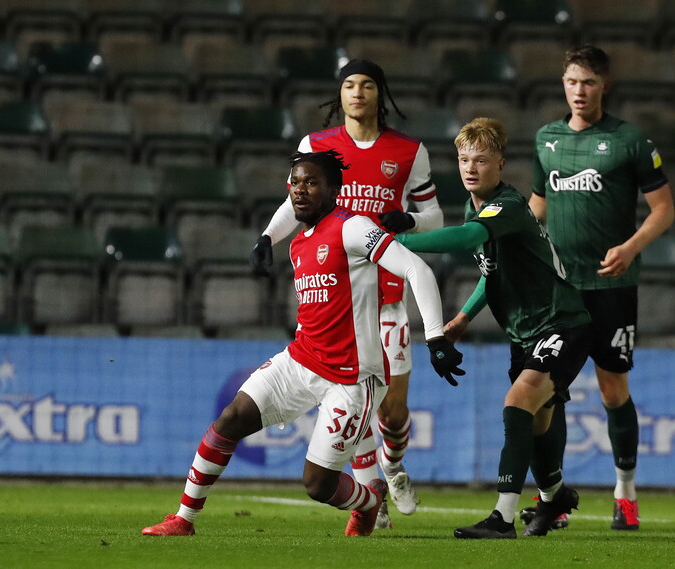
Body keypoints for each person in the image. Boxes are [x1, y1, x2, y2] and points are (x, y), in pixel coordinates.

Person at [142, 150, 464, 538]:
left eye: (311, 183)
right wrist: (265, 238)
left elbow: (417, 268)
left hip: (353, 378)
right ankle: (183, 519)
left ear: (333, 190)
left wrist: (435, 337)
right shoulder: (298, 243)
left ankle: (368, 500)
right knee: (230, 418)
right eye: (294, 182)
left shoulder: (353, 227)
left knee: (317, 484)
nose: (299, 190)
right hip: (301, 361)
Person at [249, 59, 444, 528]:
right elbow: (294, 201)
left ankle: (393, 467)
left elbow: (435, 215)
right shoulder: (315, 146)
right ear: (339, 95)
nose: (357, 92)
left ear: (381, 94)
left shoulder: (409, 151)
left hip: (387, 294)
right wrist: (267, 238)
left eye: (367, 85)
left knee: (393, 412)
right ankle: (369, 497)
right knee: (352, 394)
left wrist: (410, 221)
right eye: (349, 85)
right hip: (337, 299)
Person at [396, 117, 591, 539]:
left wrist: (396, 242)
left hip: (562, 321)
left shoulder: (506, 206)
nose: (470, 167)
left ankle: (502, 518)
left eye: (481, 160)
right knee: (538, 422)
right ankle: (554, 495)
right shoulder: (477, 206)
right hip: (525, 332)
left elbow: (467, 239)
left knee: (518, 403)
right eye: (464, 159)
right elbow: (492, 272)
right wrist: (465, 317)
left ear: (500, 165)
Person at [524, 45, 675, 532]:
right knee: (549, 393)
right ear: (563, 85)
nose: (579, 90)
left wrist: (630, 248)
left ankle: (625, 492)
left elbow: (664, 210)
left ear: (603, 85)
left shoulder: (630, 140)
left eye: (588, 82)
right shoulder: (546, 139)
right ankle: (554, 498)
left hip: (613, 287)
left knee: (612, 392)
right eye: (572, 81)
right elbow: (538, 206)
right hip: (561, 290)